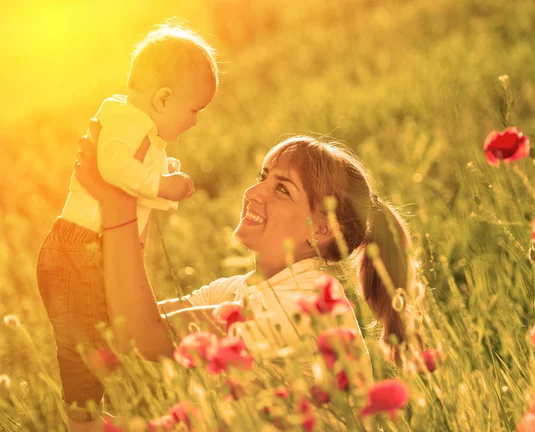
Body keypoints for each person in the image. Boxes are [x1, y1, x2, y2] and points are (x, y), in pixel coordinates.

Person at [73, 119, 417, 431]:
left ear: (323, 228)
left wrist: (119, 205)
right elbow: (124, 320)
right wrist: (133, 190)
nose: (254, 194)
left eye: (282, 189)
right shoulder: (239, 290)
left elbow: (144, 336)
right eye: (263, 177)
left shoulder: (301, 306)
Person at [36, 23, 218, 430]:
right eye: (194, 110)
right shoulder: (125, 119)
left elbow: (131, 187)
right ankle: (82, 420)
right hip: (78, 248)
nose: (195, 123)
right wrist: (162, 183)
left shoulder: (140, 128)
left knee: (97, 336)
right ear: (164, 98)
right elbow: (113, 169)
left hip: (87, 249)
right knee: (84, 341)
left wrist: (166, 182)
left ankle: (91, 415)